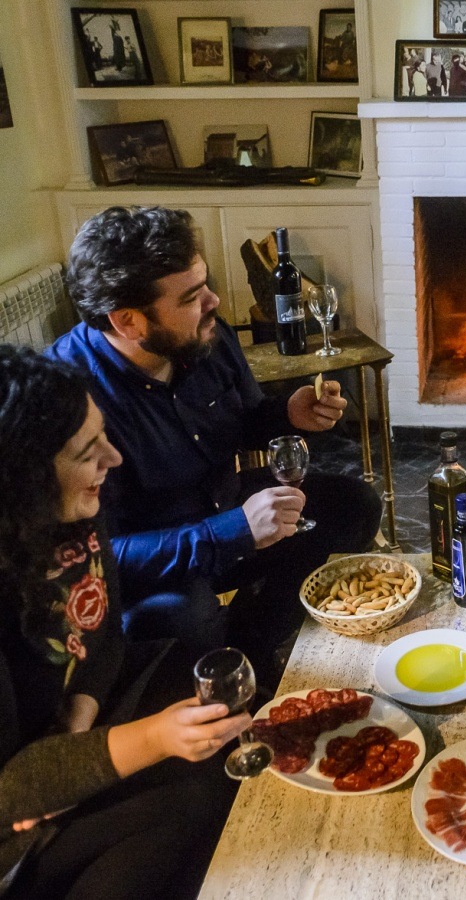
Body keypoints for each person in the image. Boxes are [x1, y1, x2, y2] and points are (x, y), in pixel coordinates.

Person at [47, 207, 382, 685]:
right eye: (191, 296)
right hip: (155, 558)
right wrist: (229, 533)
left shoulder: (205, 335)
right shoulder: (67, 397)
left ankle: (252, 648)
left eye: (205, 283)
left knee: (354, 506)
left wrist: (289, 414)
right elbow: (98, 556)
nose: (214, 300)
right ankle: (209, 691)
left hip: (226, 505)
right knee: (185, 614)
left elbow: (243, 420)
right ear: (128, 321)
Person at [0, 345, 249, 898]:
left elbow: (102, 633)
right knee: (186, 804)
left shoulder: (72, 519)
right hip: (10, 836)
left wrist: (80, 726)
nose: (113, 461)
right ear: (22, 481)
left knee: (203, 683)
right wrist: (153, 738)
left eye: (104, 436)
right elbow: (7, 794)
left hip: (56, 737)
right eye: (89, 453)